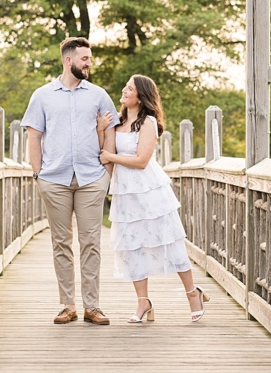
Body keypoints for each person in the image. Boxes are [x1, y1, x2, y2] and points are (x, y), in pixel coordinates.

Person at [21, 37, 120, 325]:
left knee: (91, 241)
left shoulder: (99, 95)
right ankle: (68, 305)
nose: (89, 63)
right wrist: (39, 174)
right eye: (85, 59)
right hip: (54, 178)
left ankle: (93, 306)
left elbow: (111, 132)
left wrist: (108, 169)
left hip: (92, 177)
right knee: (61, 242)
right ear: (69, 60)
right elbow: (34, 136)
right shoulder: (42, 95)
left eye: (90, 58)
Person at [98, 75, 210, 323]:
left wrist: (111, 158)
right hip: (125, 192)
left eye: (130, 88)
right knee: (132, 246)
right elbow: (103, 152)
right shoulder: (117, 122)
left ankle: (193, 293)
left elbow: (140, 161)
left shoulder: (147, 122)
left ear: (141, 96)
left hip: (149, 189)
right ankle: (143, 303)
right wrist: (100, 129)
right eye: (125, 86)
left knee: (169, 239)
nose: (124, 90)